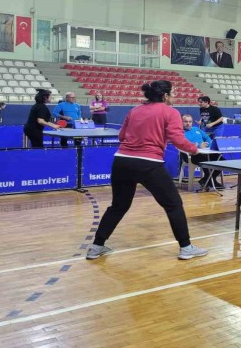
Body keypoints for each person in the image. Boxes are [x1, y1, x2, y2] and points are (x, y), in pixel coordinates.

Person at [87, 81, 208, 261]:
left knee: (119, 206)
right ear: (165, 96)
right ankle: (186, 248)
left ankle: (96, 246)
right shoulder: (171, 112)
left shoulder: (134, 111)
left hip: (121, 161)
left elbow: (121, 136)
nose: (174, 97)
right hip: (149, 163)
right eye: (173, 94)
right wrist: (194, 149)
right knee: (173, 204)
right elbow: (177, 139)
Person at [181, 114, 223, 190]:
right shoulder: (180, 132)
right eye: (186, 122)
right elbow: (183, 145)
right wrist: (198, 146)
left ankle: (206, 180)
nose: (188, 123)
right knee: (206, 161)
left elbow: (207, 138)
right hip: (191, 155)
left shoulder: (196, 129)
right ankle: (210, 181)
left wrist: (208, 144)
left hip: (205, 152)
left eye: (190, 121)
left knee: (221, 160)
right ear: (181, 122)